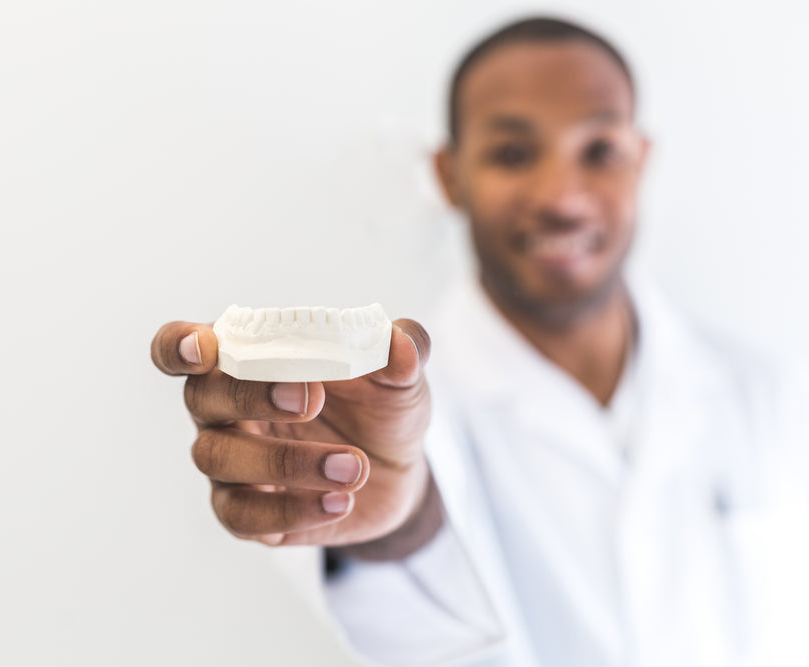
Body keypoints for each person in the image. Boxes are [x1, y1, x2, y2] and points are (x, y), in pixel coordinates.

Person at [151, 16, 807, 666]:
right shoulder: (359, 420)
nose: (563, 198)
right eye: (513, 154)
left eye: (600, 150)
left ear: (641, 160)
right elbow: (422, 642)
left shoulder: (763, 392)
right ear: (449, 175)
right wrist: (401, 527)